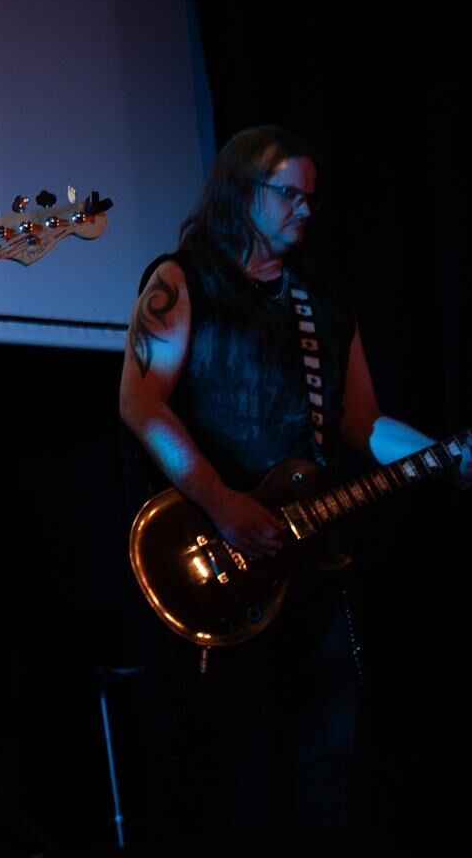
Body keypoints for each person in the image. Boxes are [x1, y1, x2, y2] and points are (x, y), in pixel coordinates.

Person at [118, 124, 468, 845]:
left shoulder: (325, 299)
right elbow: (140, 402)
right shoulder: (181, 280)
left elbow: (361, 424)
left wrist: (445, 456)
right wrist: (220, 500)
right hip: (219, 552)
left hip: (313, 556)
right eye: (288, 195)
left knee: (325, 755)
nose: (304, 209)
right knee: (212, 765)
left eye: (310, 197)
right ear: (241, 191)